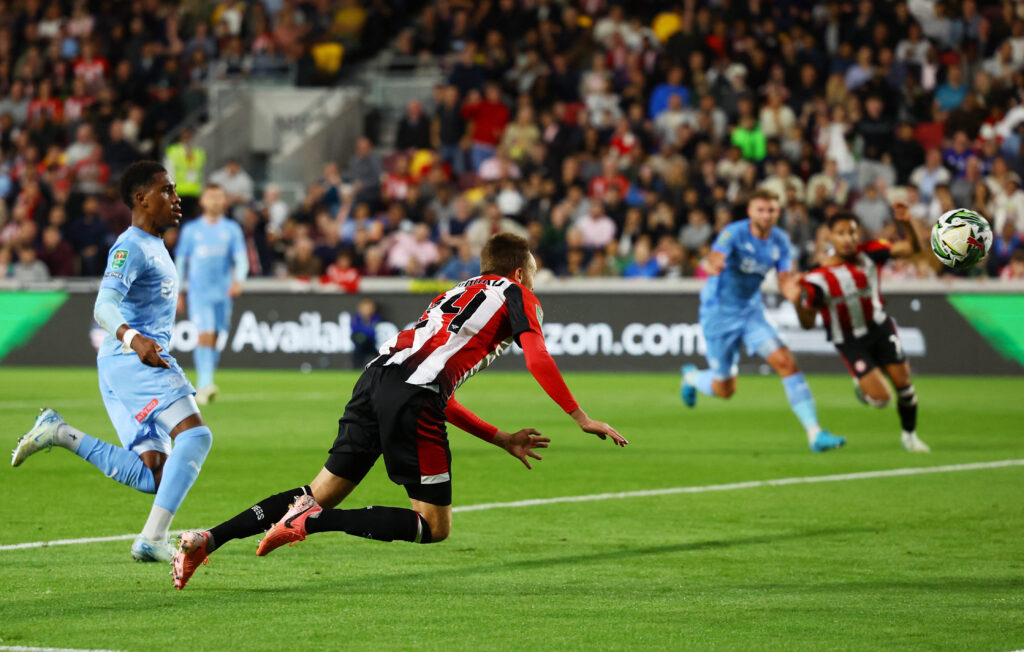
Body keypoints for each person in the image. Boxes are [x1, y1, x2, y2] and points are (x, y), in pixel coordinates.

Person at [172, 233, 628, 589]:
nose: (534, 280)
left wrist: (500, 438)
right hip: (413, 394)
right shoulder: (518, 293)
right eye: (533, 272)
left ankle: (206, 539)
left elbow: (433, 387)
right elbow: (537, 357)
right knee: (433, 525)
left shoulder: (458, 291)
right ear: (519, 272)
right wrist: (578, 415)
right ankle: (312, 521)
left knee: (318, 489)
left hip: (375, 378)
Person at [11, 161, 213, 562]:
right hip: (134, 358)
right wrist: (134, 338)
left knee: (154, 472)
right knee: (195, 436)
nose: (176, 199)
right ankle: (153, 539)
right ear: (141, 199)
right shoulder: (131, 246)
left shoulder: (155, 245)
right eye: (167, 191)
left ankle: (60, 433)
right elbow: (104, 304)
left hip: (120, 364)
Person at [680, 190, 844, 452]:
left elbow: (785, 278)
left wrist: (791, 291)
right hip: (718, 314)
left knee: (786, 362)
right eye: (761, 209)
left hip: (751, 312)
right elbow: (716, 257)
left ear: (778, 212)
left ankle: (815, 433)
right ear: (750, 212)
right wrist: (713, 265)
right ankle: (691, 378)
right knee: (725, 389)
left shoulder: (781, 241)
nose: (766, 215)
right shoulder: (733, 233)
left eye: (771, 210)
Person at [782, 205, 930, 453]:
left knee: (904, 385)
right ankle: (864, 385)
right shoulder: (817, 277)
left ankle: (910, 436)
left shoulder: (871, 252)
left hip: (880, 328)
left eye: (852, 232)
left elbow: (912, 249)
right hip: (850, 341)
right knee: (882, 400)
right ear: (830, 236)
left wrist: (906, 223)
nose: (848, 238)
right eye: (840, 233)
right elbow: (807, 325)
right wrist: (796, 300)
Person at [175, 184, 248, 405]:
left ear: (224, 201)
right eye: (211, 197)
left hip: (223, 293)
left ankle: (207, 382)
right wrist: (178, 290)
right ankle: (205, 384)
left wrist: (239, 281)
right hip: (199, 293)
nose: (215, 201)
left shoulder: (232, 229)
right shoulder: (191, 230)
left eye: (219, 197)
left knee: (216, 338)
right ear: (203, 201)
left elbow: (241, 258)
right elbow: (180, 261)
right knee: (204, 334)